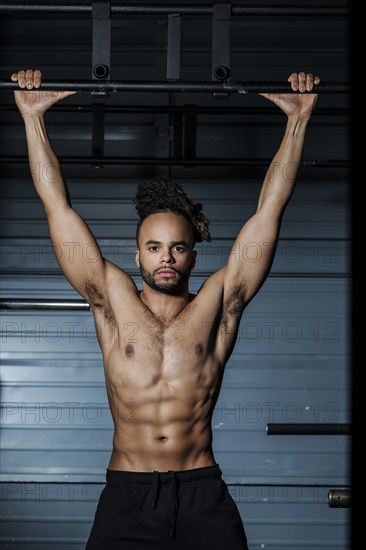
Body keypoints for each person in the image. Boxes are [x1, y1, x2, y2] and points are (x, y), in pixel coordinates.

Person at [11, 69, 320, 550]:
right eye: (154, 248)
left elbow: (269, 213)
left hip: (202, 492)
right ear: (137, 256)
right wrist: (32, 119)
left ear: (193, 254)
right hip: (127, 495)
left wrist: (297, 121)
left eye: (178, 247)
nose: (167, 257)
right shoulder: (111, 300)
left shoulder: (220, 301)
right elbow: (58, 209)